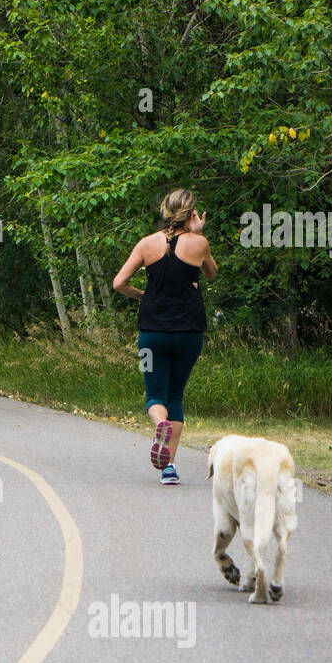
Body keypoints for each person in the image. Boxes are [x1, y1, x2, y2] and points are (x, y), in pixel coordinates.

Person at [111, 189, 218, 485]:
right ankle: (169, 469)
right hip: (189, 334)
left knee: (155, 395)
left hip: (152, 334)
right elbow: (211, 274)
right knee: (176, 396)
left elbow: (119, 282)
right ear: (191, 213)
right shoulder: (200, 243)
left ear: (165, 211)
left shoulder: (147, 244)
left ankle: (160, 424)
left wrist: (139, 295)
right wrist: (198, 234)